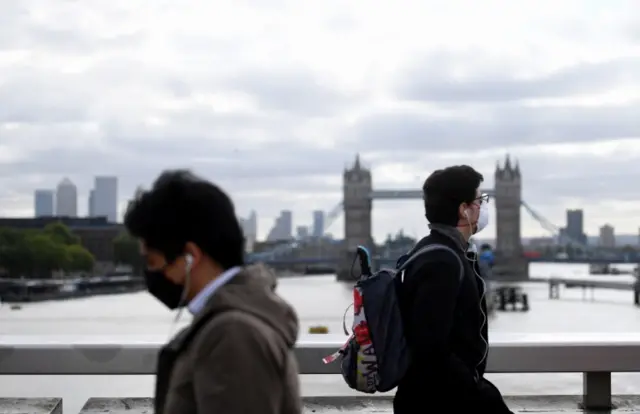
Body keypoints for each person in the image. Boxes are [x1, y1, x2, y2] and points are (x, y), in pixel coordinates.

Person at [124, 170, 302, 414]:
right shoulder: (229, 321)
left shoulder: (233, 335)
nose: (150, 273)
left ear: (190, 257)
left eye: (153, 261)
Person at [394, 165, 512, 413]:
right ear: (464, 209)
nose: (484, 207)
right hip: (440, 402)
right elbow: (431, 346)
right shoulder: (442, 261)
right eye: (481, 200)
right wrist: (478, 392)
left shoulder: (434, 250)